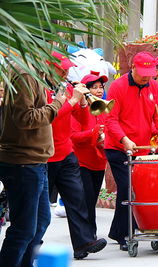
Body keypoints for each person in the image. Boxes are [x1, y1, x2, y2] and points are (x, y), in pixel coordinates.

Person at [0, 53, 66, 267]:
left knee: (39, 223)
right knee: (23, 229)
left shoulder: (34, 74)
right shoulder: (25, 74)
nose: (64, 74)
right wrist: (57, 104)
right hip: (23, 161)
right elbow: (25, 119)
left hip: (35, 161)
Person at [105, 51, 158, 251]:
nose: (146, 76)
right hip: (118, 147)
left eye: (149, 73)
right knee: (127, 187)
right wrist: (124, 139)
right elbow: (110, 119)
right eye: (142, 72)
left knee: (135, 189)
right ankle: (126, 233)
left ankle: (118, 231)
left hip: (141, 149)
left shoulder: (153, 87)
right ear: (132, 67)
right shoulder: (118, 86)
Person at [46, 52, 107, 259]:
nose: (65, 71)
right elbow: (50, 117)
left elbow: (80, 117)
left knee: (77, 197)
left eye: (66, 68)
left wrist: (82, 103)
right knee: (39, 206)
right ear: (49, 68)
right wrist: (73, 100)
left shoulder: (67, 87)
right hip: (46, 154)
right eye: (60, 68)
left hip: (66, 152)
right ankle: (32, 242)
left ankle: (83, 242)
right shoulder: (41, 90)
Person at [71, 72, 109, 238]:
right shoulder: (79, 109)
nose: (99, 91)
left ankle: (89, 234)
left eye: (101, 87)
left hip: (99, 161)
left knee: (92, 200)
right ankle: (88, 235)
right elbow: (73, 136)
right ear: (86, 90)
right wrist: (92, 133)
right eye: (95, 87)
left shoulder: (103, 108)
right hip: (82, 162)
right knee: (86, 201)